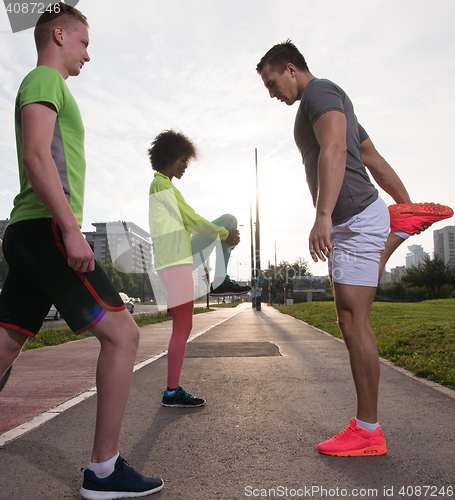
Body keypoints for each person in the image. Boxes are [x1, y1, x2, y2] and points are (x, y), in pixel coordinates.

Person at [256, 40, 452, 457]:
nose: (272, 94)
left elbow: (334, 148)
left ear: (290, 68)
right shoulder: (327, 96)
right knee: (350, 312)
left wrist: (323, 214)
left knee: (351, 318)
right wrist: (405, 205)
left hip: (352, 219)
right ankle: (399, 225)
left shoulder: (319, 92)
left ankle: (368, 431)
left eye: (272, 83)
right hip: (360, 220)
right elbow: (369, 154)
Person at [0, 5, 163, 498]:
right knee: (123, 335)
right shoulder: (45, 81)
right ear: (59, 34)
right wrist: (71, 230)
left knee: (6, 342)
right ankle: (104, 471)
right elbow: (35, 155)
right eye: (84, 43)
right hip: (46, 228)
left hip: (30, 232)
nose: (87, 55)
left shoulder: (46, 84)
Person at [148, 130, 251, 407]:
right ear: (171, 157)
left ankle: (221, 278)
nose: (185, 166)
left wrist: (223, 234)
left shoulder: (165, 186)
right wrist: (221, 235)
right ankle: (171, 391)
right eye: (183, 160)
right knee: (182, 326)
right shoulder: (161, 185)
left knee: (230, 219)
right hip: (174, 261)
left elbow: (188, 220)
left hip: (178, 256)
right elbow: (190, 217)